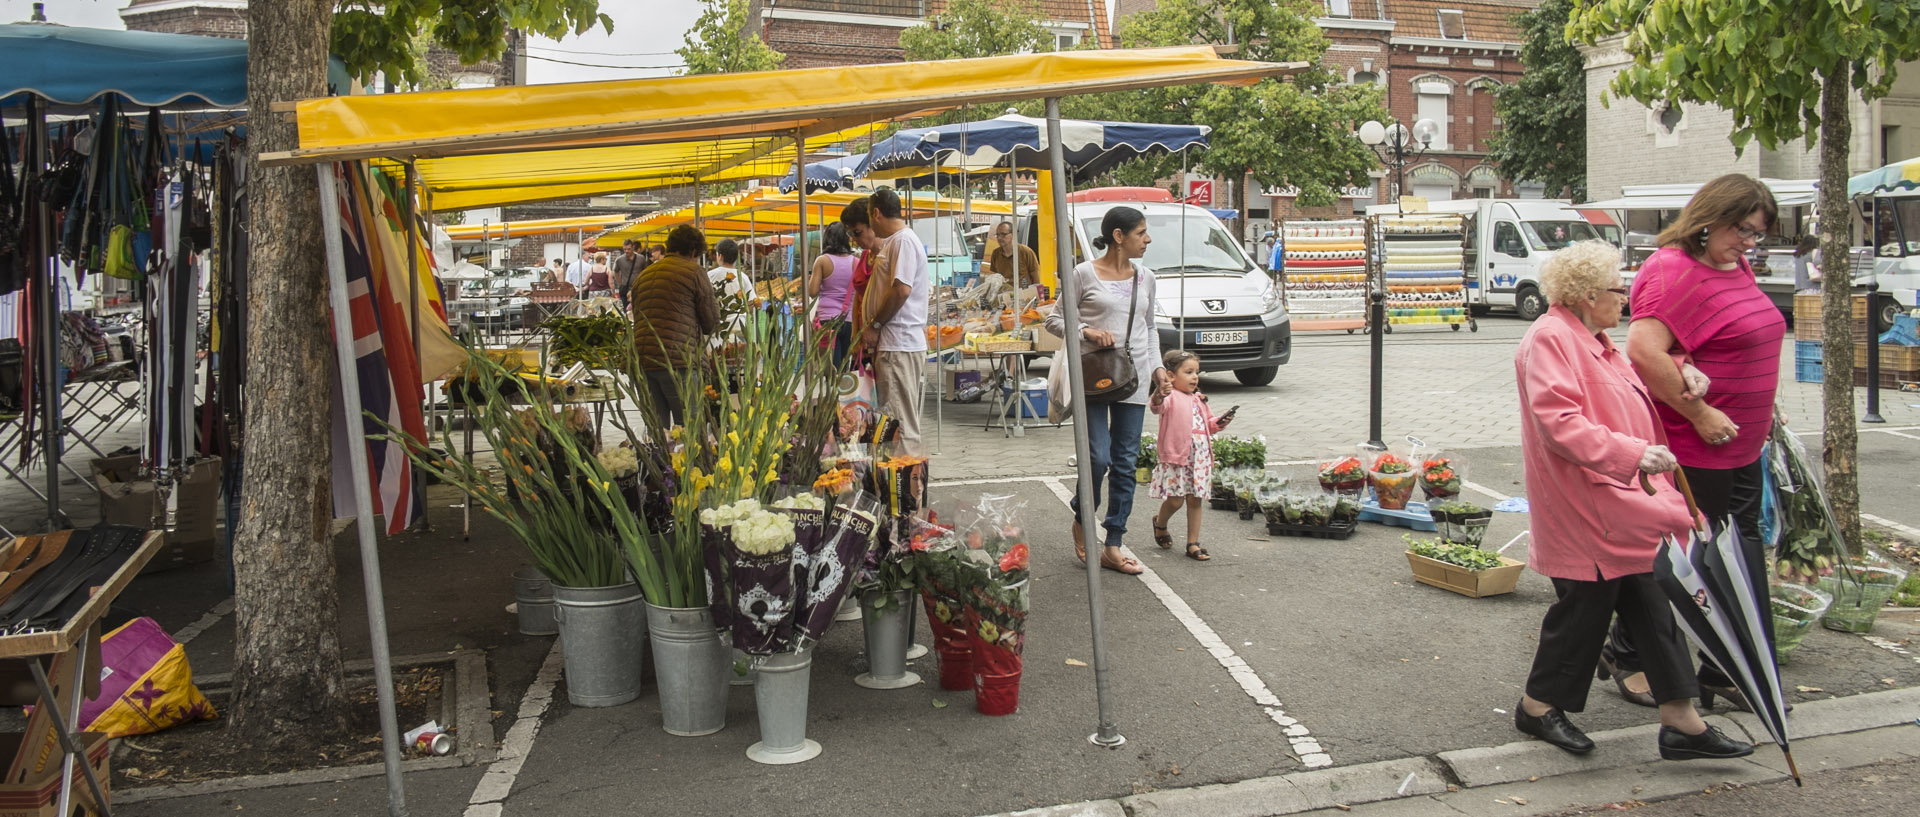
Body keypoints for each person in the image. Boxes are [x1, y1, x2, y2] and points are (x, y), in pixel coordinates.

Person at [1512, 239, 1753, 762]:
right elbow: (1559, 423)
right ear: (1583, 295)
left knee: (1650, 604)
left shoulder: (1593, 338)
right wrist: (1634, 454)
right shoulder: (1553, 337)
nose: (1625, 299)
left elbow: (1630, 385)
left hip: (1620, 503)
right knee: (1584, 612)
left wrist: (1685, 371)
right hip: (1588, 506)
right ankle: (1536, 708)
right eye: (1617, 291)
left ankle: (1682, 723)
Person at [1603, 174, 1788, 713]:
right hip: (1695, 441)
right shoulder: (1672, 271)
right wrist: (1701, 412)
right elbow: (1644, 350)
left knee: (1739, 554)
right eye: (1743, 231)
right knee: (1685, 555)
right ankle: (1628, 652)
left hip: (1743, 442)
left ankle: (1723, 665)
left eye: (1757, 235)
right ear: (1709, 220)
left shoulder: (1735, 265)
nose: (1749, 243)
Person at [1045, 206, 1168, 575]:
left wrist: (1159, 368)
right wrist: (1085, 331)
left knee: (1126, 461)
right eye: (1141, 233)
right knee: (1098, 458)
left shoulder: (1145, 277)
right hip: (1093, 376)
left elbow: (1150, 328)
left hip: (1133, 376)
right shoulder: (1083, 274)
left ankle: (1113, 542)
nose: (1147, 240)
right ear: (1119, 236)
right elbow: (1054, 319)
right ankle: (1084, 514)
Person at [858, 189, 931, 457]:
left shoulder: (902, 241)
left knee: (900, 423)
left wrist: (876, 325)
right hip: (896, 345)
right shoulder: (897, 242)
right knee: (895, 419)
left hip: (898, 343)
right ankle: (904, 487)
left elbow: (901, 290)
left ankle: (908, 491)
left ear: (876, 213)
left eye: (869, 217)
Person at [630, 225, 721, 428]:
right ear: (692, 251)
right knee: (689, 429)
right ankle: (691, 461)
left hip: (643, 361)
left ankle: (656, 460)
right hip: (678, 362)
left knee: (657, 431)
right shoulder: (694, 272)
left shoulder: (644, 275)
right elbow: (711, 323)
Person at [1147, 349, 1231, 562]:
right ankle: (1160, 523)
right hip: (1177, 458)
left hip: (1199, 459)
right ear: (1171, 376)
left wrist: (1219, 422)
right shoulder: (1170, 397)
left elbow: (1208, 424)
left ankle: (1193, 543)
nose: (1195, 377)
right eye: (1189, 372)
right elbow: (1156, 407)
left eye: (1197, 372)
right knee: (1175, 501)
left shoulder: (1199, 399)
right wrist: (1159, 392)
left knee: (1196, 500)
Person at [809, 222, 858, 368]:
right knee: (844, 367)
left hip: (827, 320)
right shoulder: (856, 262)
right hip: (850, 319)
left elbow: (812, 292)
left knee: (830, 368)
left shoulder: (823, 261)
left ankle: (833, 391)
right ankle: (844, 391)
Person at [985, 220, 1040, 285]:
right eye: (997, 235)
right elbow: (995, 276)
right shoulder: (995, 254)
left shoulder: (1026, 252)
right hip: (1003, 293)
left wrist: (1037, 294)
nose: (999, 238)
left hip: (1023, 293)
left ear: (1013, 234)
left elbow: (1036, 277)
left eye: (1003, 234)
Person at [708, 238, 754, 303]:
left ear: (720, 256)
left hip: (716, 313)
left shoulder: (709, 275)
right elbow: (751, 302)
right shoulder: (743, 277)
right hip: (740, 313)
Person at [613, 241, 644, 305]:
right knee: (625, 310)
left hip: (638, 289)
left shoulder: (641, 258)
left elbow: (644, 271)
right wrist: (620, 283)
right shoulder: (619, 260)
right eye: (624, 249)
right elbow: (616, 272)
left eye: (629, 249)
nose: (626, 251)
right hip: (625, 290)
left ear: (633, 248)